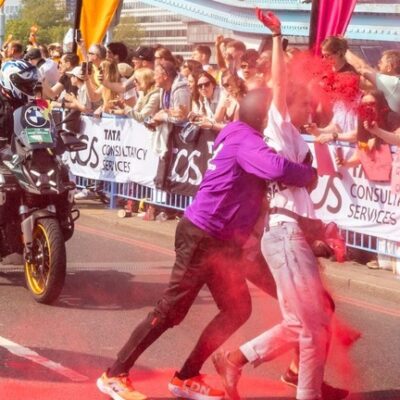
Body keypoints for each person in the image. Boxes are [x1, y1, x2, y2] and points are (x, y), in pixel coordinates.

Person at [96, 86, 317, 400]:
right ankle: (114, 374)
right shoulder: (246, 140)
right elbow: (278, 168)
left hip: (222, 242)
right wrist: (308, 173)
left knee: (237, 308)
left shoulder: (236, 132)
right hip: (202, 236)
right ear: (263, 117)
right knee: (170, 311)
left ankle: (186, 377)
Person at [212, 10, 337, 400]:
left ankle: (236, 359)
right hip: (283, 235)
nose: (310, 111)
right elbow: (280, 85)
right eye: (305, 105)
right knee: (311, 327)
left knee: (310, 321)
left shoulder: (296, 139)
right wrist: (279, 38)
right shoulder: (278, 129)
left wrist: (321, 234)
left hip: (291, 234)